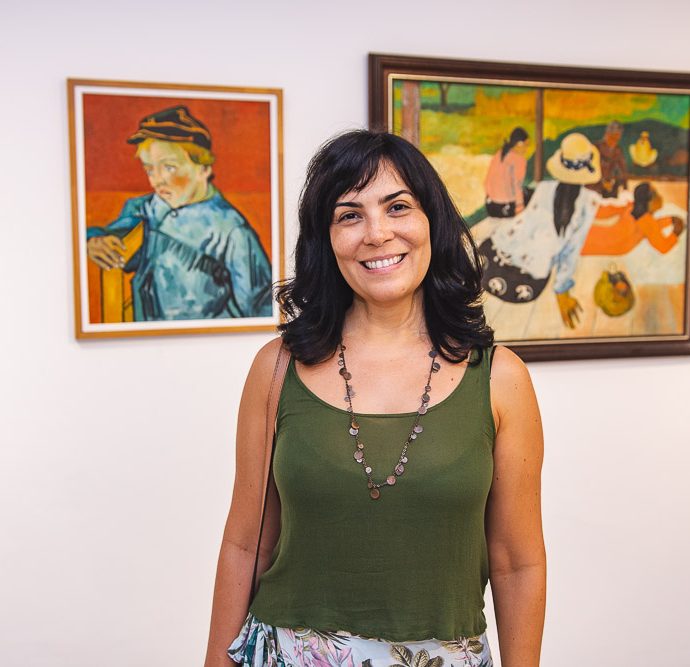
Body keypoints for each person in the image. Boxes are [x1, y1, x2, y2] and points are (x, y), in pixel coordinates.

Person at [204, 130, 546, 667]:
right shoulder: (276, 368)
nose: (378, 233)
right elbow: (246, 544)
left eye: (398, 206)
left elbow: (516, 563)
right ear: (326, 239)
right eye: (350, 215)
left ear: (432, 221)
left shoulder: (501, 378)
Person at [86, 106, 272, 320]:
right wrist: (93, 240)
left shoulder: (230, 230)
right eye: (149, 169)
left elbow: (261, 308)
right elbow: (114, 237)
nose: (157, 180)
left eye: (169, 167)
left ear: (203, 169)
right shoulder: (145, 208)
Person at [478, 132, 602, 328]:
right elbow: (571, 250)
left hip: (494, 257)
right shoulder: (589, 203)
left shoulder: (544, 188)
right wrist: (562, 289)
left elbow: (522, 226)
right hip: (529, 282)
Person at [581, 181, 685, 256]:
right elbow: (663, 247)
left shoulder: (632, 208)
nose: (660, 198)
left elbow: (605, 212)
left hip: (595, 237)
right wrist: (676, 232)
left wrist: (669, 220)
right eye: (655, 195)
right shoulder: (645, 220)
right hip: (600, 242)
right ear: (648, 201)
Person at [484, 127, 531, 218]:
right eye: (526, 145)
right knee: (532, 194)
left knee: (526, 191)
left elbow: (487, 182)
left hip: (491, 207)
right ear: (519, 144)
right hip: (506, 208)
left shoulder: (499, 153)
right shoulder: (519, 159)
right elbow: (517, 185)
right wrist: (519, 206)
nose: (527, 149)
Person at [594, 120, 628, 199]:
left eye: (617, 138)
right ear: (607, 134)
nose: (614, 141)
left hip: (610, 189)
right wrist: (602, 182)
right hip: (594, 188)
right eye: (613, 137)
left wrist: (625, 188)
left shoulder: (617, 150)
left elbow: (623, 170)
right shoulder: (596, 148)